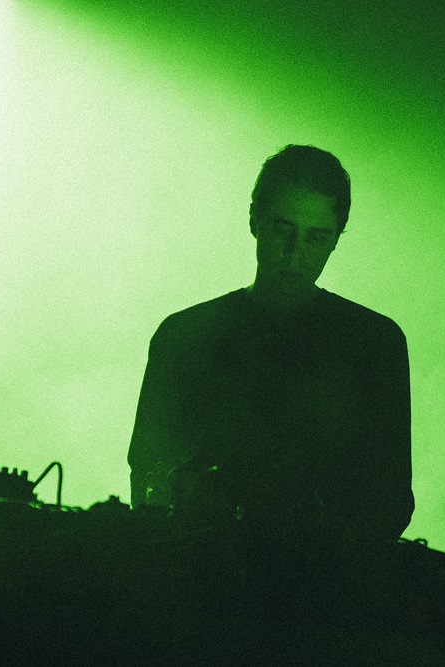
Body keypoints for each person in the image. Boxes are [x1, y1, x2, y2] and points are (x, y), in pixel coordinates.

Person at [127, 144, 413, 542]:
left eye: (316, 237)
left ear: (336, 239)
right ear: (254, 220)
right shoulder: (182, 337)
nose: (295, 253)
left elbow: (391, 500)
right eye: (283, 229)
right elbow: (149, 478)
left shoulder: (377, 344)